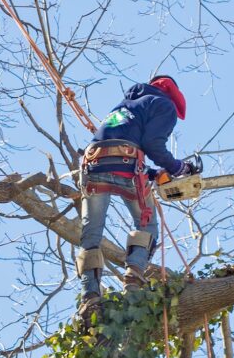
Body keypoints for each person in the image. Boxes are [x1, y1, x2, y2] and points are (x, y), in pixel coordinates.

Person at [76, 75, 201, 324]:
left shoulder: (125, 105)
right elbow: (152, 144)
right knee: (147, 224)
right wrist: (178, 168)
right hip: (126, 164)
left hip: (93, 164)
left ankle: (89, 294)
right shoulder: (164, 105)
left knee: (91, 233)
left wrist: (155, 174)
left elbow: (128, 144)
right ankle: (133, 278)